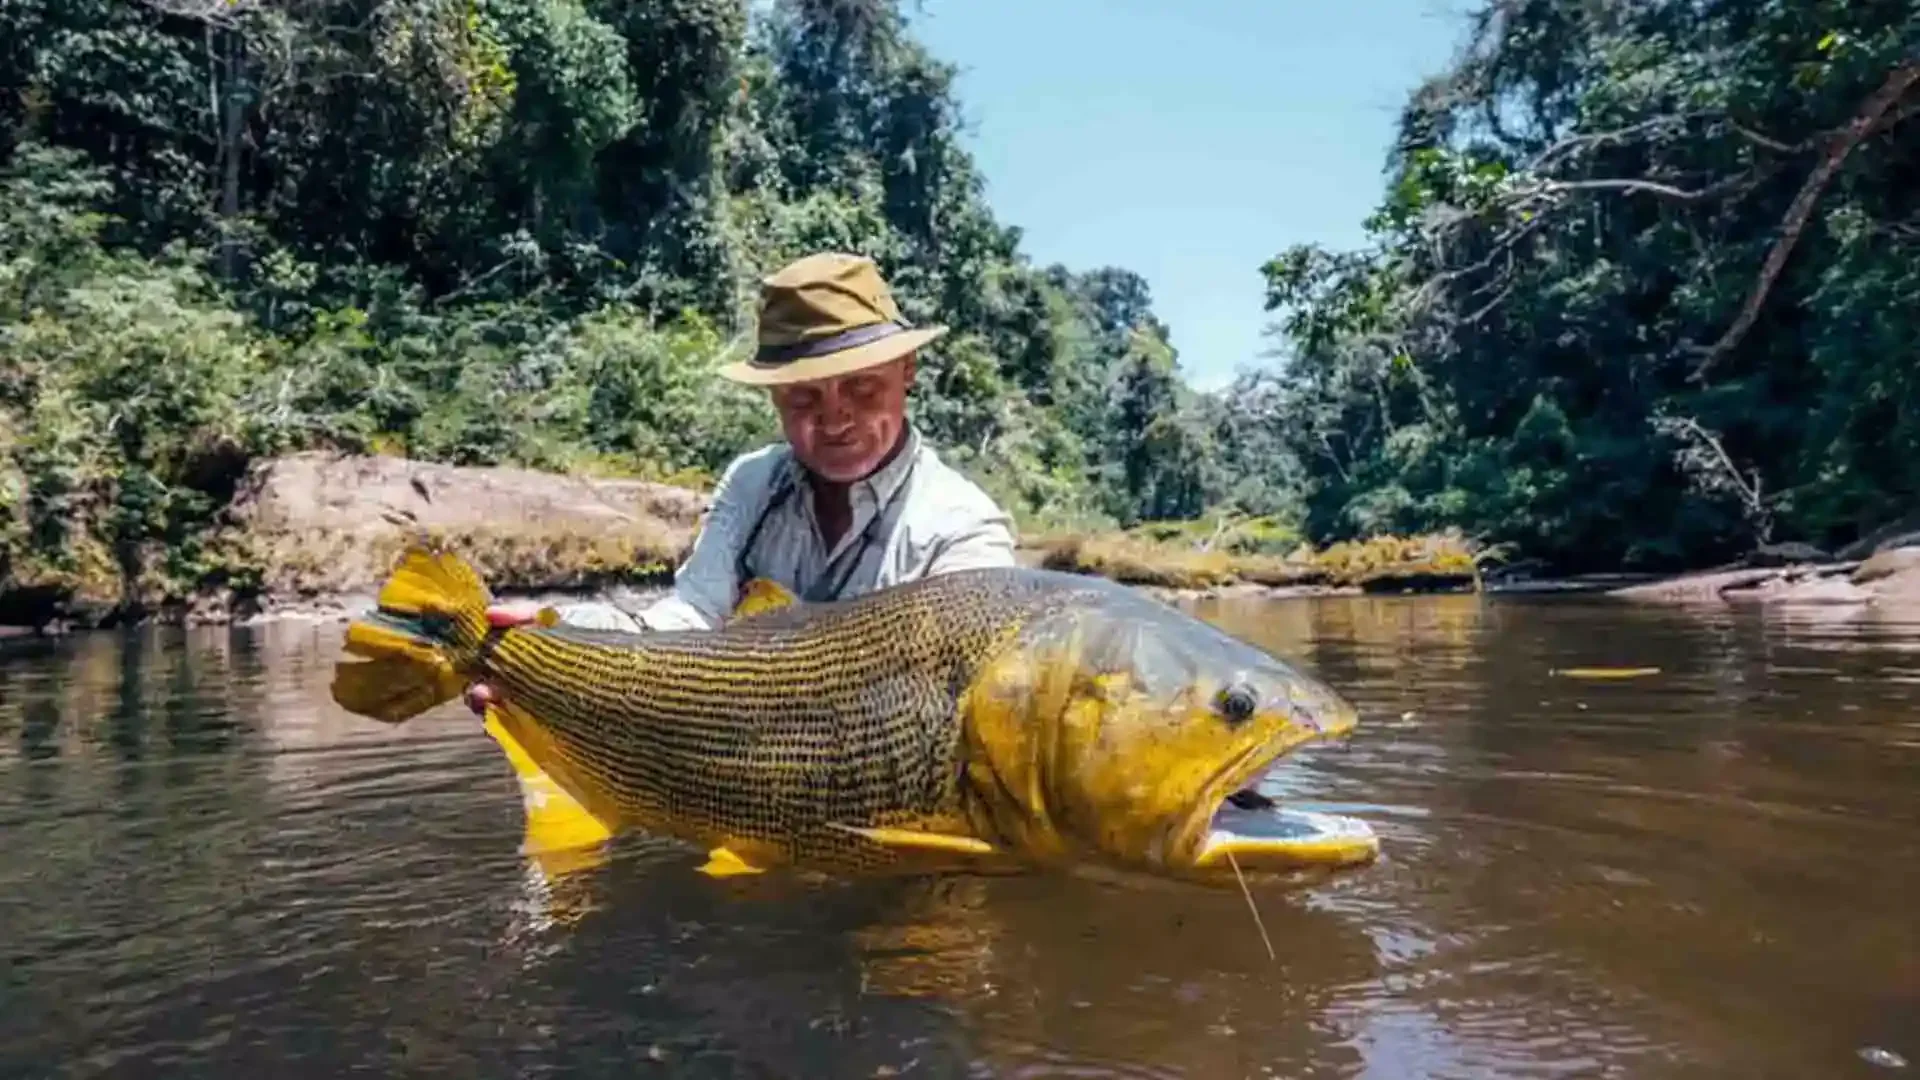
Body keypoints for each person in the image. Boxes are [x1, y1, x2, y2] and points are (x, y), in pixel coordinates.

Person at [463, 251, 1018, 712]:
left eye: (861, 386)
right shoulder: (754, 482)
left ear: (908, 370)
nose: (834, 419)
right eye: (804, 395)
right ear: (773, 396)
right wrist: (561, 632)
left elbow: (961, 693)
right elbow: (691, 619)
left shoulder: (964, 530)